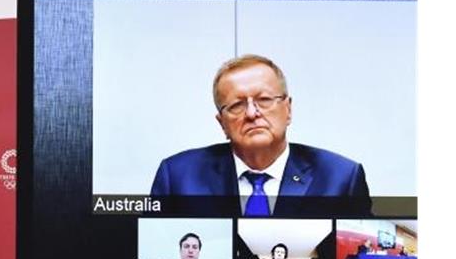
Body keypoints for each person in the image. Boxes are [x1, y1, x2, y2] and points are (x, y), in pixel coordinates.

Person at [150, 55, 371, 217]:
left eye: (264, 100)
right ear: (222, 123)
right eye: (236, 105)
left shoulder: (341, 177)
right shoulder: (178, 177)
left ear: (288, 109)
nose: (252, 113)